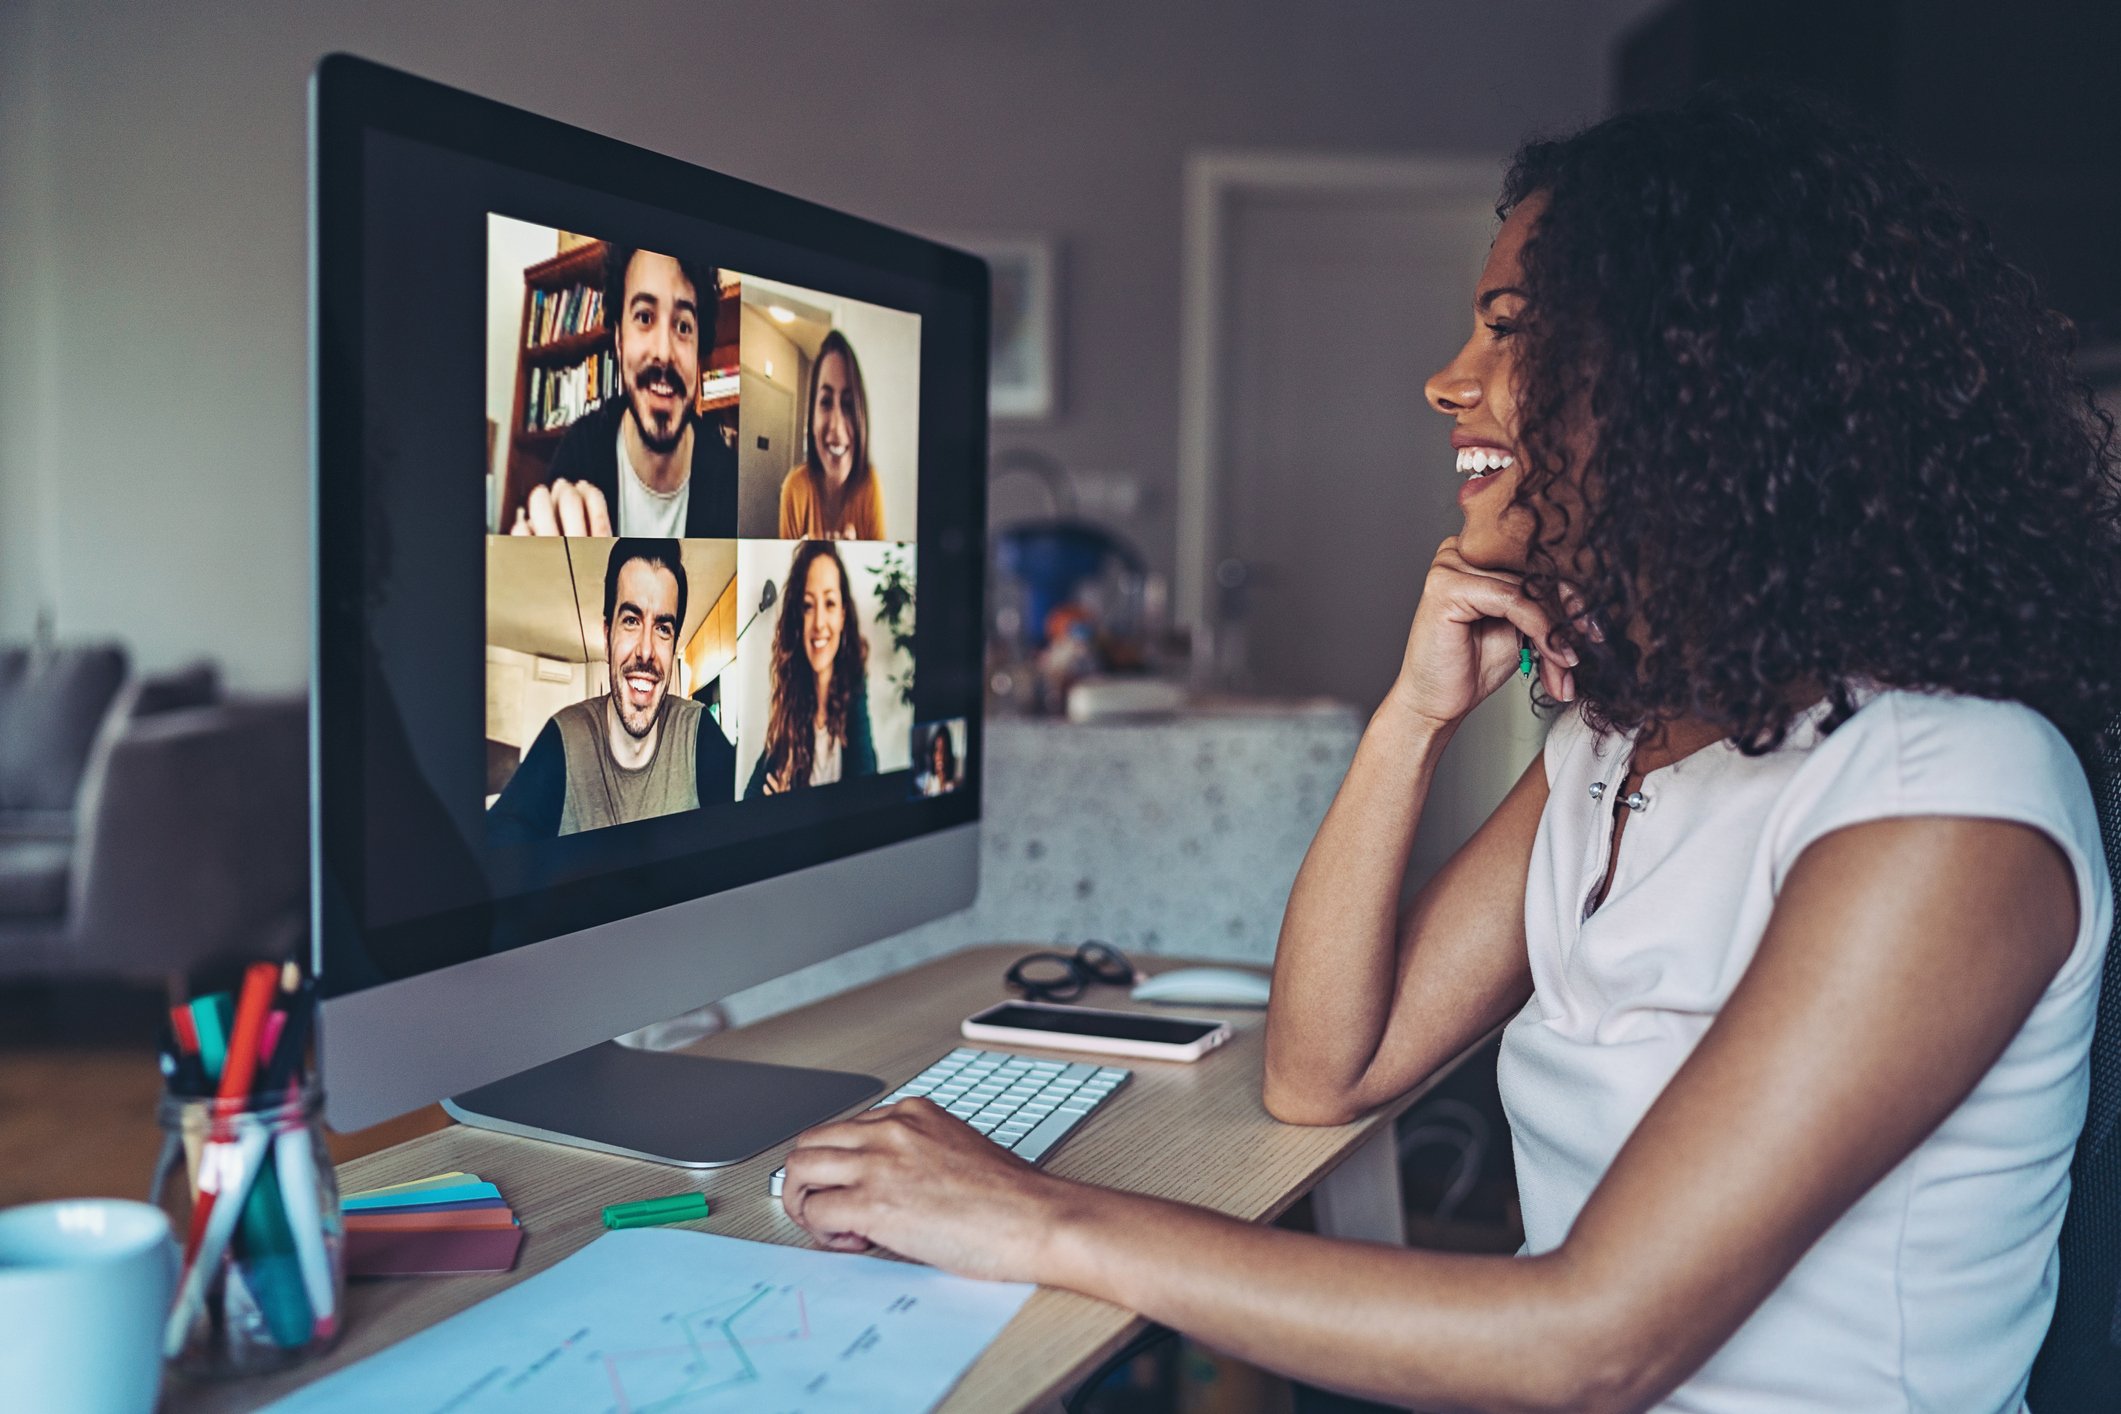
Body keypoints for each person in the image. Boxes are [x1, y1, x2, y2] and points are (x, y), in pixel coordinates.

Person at [774, 88, 2121, 1412]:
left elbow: (1593, 1344)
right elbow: (1322, 1072)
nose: (1446, 380)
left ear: (1686, 376)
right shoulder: (1624, 738)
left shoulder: (1948, 801)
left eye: (1510, 330)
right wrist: (1411, 718)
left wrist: (1035, 1215)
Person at [489, 539, 736, 838]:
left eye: (662, 628)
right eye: (631, 620)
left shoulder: (696, 730)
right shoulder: (564, 737)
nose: (646, 651)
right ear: (607, 638)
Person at [511, 245, 736, 538]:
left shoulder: (728, 476)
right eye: (644, 317)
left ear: (698, 352)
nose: (664, 353)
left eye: (683, 326)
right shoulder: (579, 451)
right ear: (618, 339)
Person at [745, 541, 877, 796]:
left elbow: (866, 791)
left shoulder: (855, 688)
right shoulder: (791, 702)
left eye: (829, 603)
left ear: (842, 615)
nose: (818, 623)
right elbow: (749, 797)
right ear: (797, 618)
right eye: (807, 606)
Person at [777, 330, 887, 540]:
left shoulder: (870, 485)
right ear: (812, 413)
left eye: (847, 404)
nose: (836, 427)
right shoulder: (794, 489)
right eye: (826, 402)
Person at [916, 723, 959, 796]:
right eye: (937, 750)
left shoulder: (953, 786)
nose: (940, 757)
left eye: (944, 751)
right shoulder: (927, 781)